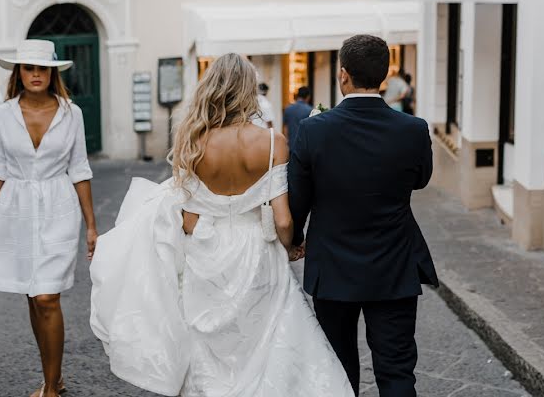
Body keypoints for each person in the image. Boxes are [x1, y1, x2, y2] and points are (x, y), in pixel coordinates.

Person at [90, 54, 353, 397]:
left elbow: (189, 218)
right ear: (248, 91)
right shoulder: (273, 142)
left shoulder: (193, 140)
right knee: (266, 340)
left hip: (208, 249)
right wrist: (290, 246)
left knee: (211, 348)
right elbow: (283, 218)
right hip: (257, 250)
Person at [288, 34, 437, 397]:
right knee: (397, 370)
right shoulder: (413, 130)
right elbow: (421, 180)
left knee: (337, 369)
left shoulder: (312, 130)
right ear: (384, 76)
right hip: (394, 264)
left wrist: (294, 241)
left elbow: (298, 202)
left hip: (334, 266)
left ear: (343, 75)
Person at [0, 40, 97, 397]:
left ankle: (52, 390)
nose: (35, 74)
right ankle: (52, 376)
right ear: (18, 72)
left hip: (59, 207)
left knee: (46, 298)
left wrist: (91, 225)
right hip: (16, 210)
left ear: (52, 72)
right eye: (28, 68)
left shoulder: (72, 113)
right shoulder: (3, 114)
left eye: (41, 68)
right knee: (31, 294)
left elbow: (80, 169)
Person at [283, 85, 313, 151]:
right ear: (308, 97)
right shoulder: (310, 110)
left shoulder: (288, 108)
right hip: (304, 146)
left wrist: (286, 142)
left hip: (291, 145)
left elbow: (285, 127)